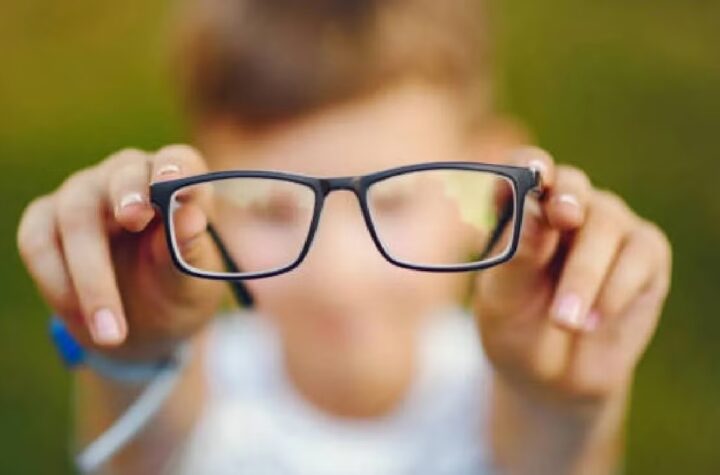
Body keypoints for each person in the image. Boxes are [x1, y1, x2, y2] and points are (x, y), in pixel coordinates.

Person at [16, 0, 672, 473]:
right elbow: (146, 456)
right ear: (202, 194)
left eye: (394, 200)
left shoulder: (511, 388)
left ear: (490, 186)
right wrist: (139, 357)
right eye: (270, 208)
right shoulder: (201, 385)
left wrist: (555, 400)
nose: (339, 275)